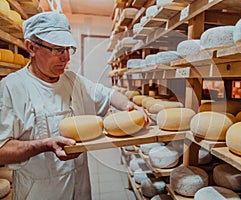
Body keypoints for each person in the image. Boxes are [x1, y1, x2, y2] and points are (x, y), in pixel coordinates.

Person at [0, 11, 150, 199]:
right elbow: (1, 151)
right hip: (40, 192)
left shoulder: (72, 80)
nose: (66, 58)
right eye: (57, 50)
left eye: (68, 49)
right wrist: (43, 145)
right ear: (31, 47)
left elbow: (108, 94)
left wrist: (130, 106)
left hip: (80, 187)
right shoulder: (12, 88)